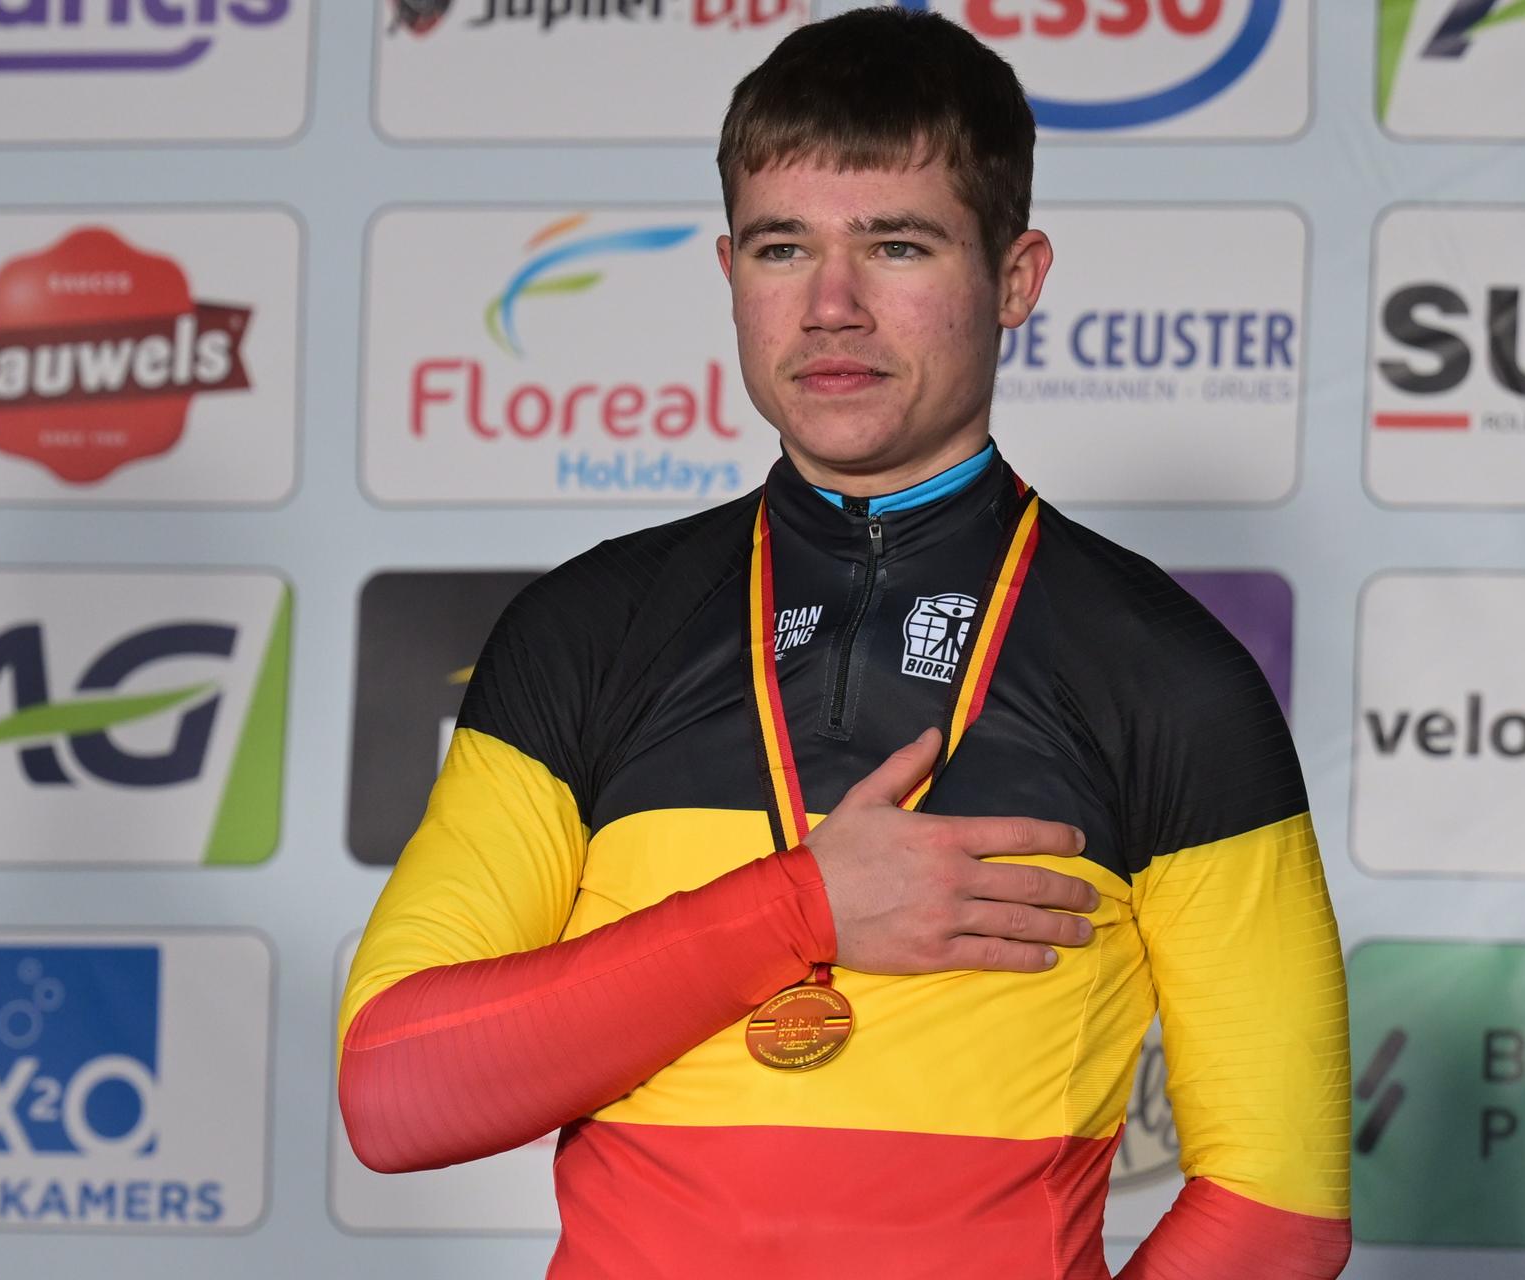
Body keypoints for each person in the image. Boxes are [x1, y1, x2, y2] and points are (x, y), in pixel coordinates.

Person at [337, 9, 1351, 1277]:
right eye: (782, 247)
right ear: (729, 274)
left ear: (1018, 276)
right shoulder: (584, 630)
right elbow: (397, 1090)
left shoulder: (1169, 673)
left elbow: (1278, 1203)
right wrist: (802, 908)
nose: (829, 305)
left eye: (897, 244)